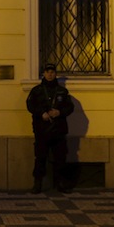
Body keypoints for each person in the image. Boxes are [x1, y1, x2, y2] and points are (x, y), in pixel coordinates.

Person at [26, 63, 74, 193]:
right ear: (44, 73)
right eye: (47, 72)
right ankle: (37, 184)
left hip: (58, 130)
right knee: (40, 158)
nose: (50, 74)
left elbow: (70, 107)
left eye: (52, 72)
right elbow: (30, 105)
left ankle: (60, 183)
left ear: (55, 74)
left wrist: (59, 112)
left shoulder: (62, 92)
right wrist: (41, 113)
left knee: (60, 158)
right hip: (42, 130)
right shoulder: (36, 91)